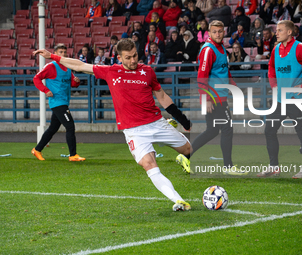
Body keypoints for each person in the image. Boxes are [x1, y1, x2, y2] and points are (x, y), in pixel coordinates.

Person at [33, 38, 193, 211]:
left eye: (135, 56)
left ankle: (182, 156)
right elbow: (79, 65)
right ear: (119, 57)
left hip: (156, 123)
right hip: (133, 131)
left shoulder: (147, 71)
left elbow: (161, 96)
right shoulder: (111, 71)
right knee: (149, 164)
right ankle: (179, 201)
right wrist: (52, 56)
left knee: (189, 151)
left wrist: (182, 119)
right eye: (128, 57)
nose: (133, 61)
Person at [176, 20, 246, 175]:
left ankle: (185, 155)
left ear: (224, 32)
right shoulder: (208, 50)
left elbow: (225, 73)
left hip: (220, 96)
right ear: (209, 33)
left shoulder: (222, 49)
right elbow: (202, 76)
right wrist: (206, 99)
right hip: (214, 99)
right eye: (215, 32)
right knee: (227, 129)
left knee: (213, 131)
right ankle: (228, 167)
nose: (218, 34)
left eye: (220, 31)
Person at [257, 20, 302, 179]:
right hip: (280, 100)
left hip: (296, 100)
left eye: (280, 30)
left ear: (290, 32)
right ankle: (274, 167)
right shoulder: (275, 49)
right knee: (269, 130)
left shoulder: (301, 48)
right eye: (277, 30)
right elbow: (272, 68)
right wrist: (274, 86)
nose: (276, 32)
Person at [31, 44, 85, 162]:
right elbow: (36, 78)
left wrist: (76, 82)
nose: (63, 54)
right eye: (60, 52)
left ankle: (37, 149)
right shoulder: (51, 66)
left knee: (52, 129)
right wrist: (46, 90)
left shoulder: (67, 66)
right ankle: (73, 155)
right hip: (57, 102)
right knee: (70, 126)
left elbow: (71, 83)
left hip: (64, 101)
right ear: (54, 53)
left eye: (65, 52)